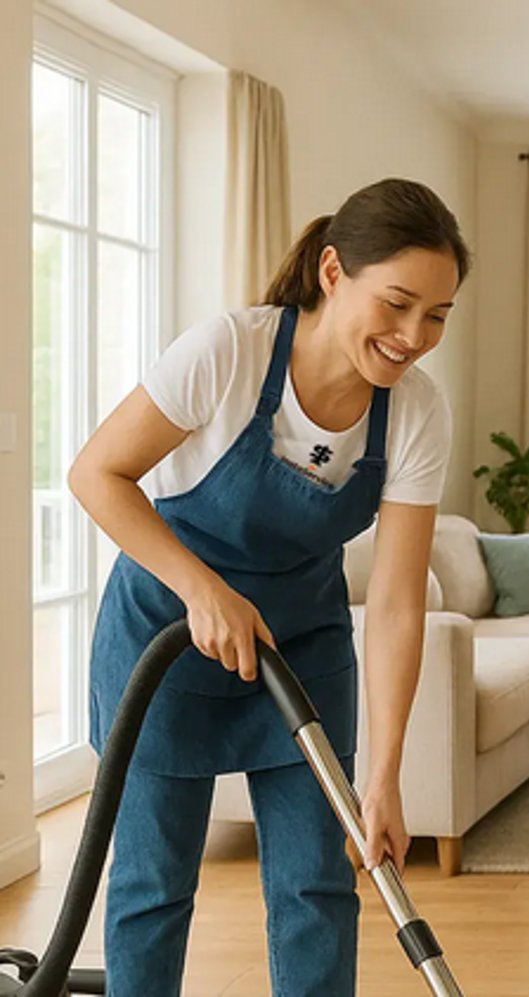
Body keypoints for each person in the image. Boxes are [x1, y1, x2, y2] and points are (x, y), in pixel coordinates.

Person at [68, 178, 466, 995]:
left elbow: (395, 601)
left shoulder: (417, 412)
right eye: (396, 304)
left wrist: (384, 776)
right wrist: (201, 588)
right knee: (152, 887)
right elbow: (97, 473)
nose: (412, 336)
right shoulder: (231, 351)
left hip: (302, 650)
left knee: (317, 886)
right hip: (163, 641)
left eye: (435, 316)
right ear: (331, 271)